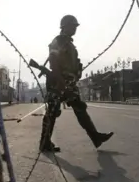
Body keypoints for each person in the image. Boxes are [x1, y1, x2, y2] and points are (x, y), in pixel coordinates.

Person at [39, 15, 114, 152]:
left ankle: (95, 137)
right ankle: (44, 143)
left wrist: (77, 71)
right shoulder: (59, 41)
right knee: (52, 112)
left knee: (80, 108)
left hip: (69, 83)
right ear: (65, 27)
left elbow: (71, 65)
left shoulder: (69, 44)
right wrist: (61, 82)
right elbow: (54, 64)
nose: (75, 29)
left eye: (75, 26)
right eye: (73, 26)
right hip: (58, 83)